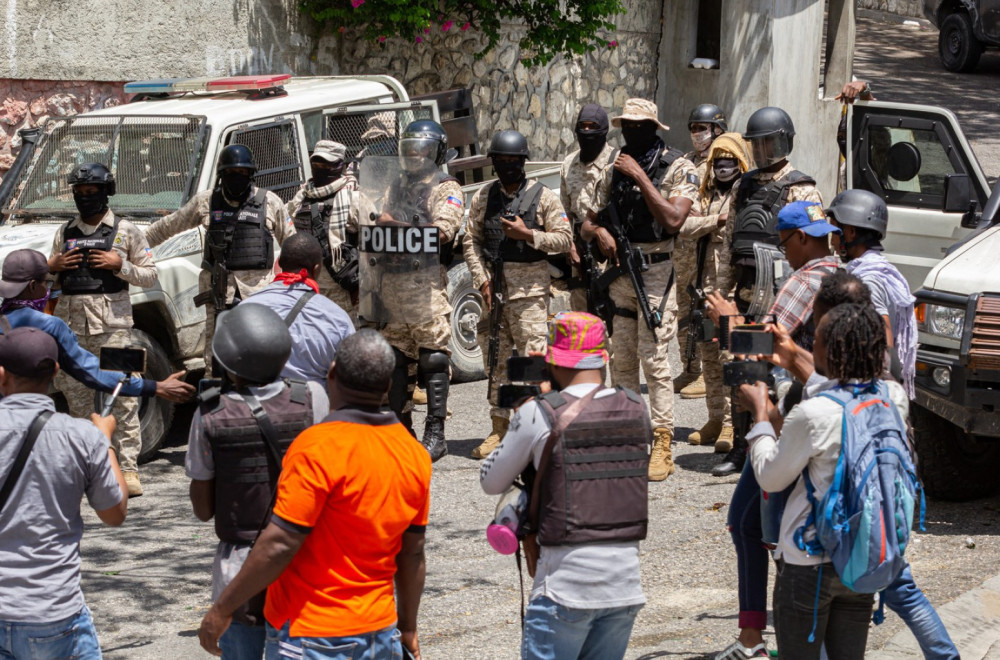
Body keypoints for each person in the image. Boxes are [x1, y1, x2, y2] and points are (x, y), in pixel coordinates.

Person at [197, 329, 429, 660]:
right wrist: (407, 627)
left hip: (311, 636)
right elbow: (412, 553)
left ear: (331, 372)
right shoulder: (412, 453)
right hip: (380, 632)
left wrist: (222, 610)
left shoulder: (316, 447)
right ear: (389, 386)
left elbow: (280, 543)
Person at [706, 201, 840, 660]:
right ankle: (752, 639)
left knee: (777, 537)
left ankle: (794, 644)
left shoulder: (805, 281)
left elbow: (761, 347)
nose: (785, 254)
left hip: (788, 424)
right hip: (800, 420)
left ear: (800, 239)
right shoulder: (840, 276)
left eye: (785, 244)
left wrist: (726, 318)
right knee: (745, 524)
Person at [480, 312, 650, 660]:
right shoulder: (636, 407)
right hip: (624, 585)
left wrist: (522, 421)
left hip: (565, 588)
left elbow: (491, 480)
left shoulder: (539, 413)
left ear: (553, 361)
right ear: (603, 357)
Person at [740, 303, 903, 659]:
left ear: (831, 351)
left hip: (807, 561)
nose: (810, 345)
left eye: (816, 339)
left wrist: (761, 418)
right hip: (863, 556)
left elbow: (770, 477)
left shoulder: (813, 413)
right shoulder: (894, 400)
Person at [187, 302, 329, 659]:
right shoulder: (313, 398)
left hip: (239, 572)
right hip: (301, 560)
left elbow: (203, 509)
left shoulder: (209, 414)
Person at [581, 97, 700, 481]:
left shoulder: (678, 166)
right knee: (622, 358)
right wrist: (599, 233)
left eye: (639, 127)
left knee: (655, 359)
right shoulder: (612, 167)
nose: (631, 133)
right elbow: (586, 222)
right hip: (618, 272)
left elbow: (672, 220)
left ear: (654, 128)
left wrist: (640, 177)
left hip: (655, 271)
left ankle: (662, 439)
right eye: (626, 126)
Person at [0, 326, 127, 660]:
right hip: (52, 611)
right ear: (56, 372)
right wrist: (105, 441)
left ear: (1, 375)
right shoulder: (81, 437)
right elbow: (114, 514)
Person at [351, 119, 464, 462]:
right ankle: (402, 430)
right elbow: (379, 221)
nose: (414, 156)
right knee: (395, 361)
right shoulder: (396, 185)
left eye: (422, 150)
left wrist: (391, 225)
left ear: (436, 151)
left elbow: (442, 232)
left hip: (424, 284)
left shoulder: (446, 187)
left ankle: (436, 432)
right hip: (391, 285)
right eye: (410, 149)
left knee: (432, 357)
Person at [46, 163, 158, 496]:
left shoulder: (127, 231)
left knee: (123, 397)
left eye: (91, 192)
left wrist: (118, 264)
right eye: (79, 193)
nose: (84, 198)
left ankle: (128, 469)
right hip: (72, 330)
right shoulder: (65, 232)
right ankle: (88, 470)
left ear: (105, 191)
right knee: (79, 403)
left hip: (115, 329)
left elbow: (150, 275)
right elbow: (46, 280)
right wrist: (53, 266)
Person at [465, 129, 572, 460]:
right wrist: (482, 280)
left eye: (514, 161)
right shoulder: (484, 197)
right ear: (494, 163)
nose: (509, 166)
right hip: (493, 292)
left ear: (523, 162)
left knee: (531, 363)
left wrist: (530, 236)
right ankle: (499, 428)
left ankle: (534, 429)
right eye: (502, 161)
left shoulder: (543, 197)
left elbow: (564, 239)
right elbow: (471, 240)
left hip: (529, 294)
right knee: (495, 360)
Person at [145, 144, 295, 373]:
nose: (237, 178)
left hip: (259, 295)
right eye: (231, 174)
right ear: (222, 175)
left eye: (243, 173)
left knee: (259, 353)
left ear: (251, 174)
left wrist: (287, 283)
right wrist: (130, 245)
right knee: (217, 359)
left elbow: (293, 244)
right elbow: (165, 228)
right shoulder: (206, 201)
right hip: (218, 295)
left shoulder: (270, 202)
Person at [0, 249, 193, 407]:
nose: (47, 290)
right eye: (46, 283)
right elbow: (90, 371)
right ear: (33, 286)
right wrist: (154, 386)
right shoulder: (49, 326)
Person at [683, 133, 750, 453]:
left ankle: (730, 424)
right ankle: (714, 418)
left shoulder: (744, 194)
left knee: (728, 356)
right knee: (708, 354)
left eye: (729, 162)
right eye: (718, 162)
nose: (723, 168)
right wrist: (715, 220)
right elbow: (683, 226)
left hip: (730, 290)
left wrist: (706, 223)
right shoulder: (703, 192)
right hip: (702, 289)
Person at [730, 106, 823, 314]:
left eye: (767, 142)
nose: (761, 149)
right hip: (743, 300)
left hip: (784, 302)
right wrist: (723, 295)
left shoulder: (802, 190)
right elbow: (731, 242)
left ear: (783, 142)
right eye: (756, 143)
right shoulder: (741, 186)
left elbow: (818, 252)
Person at [825, 189, 917, 397]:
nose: (832, 241)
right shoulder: (875, 268)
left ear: (850, 232)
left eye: (834, 232)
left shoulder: (868, 279)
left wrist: (882, 385)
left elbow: (884, 337)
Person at [244, 234, 355, 386]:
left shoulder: (245, 308)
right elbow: (350, 379)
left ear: (280, 263)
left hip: (255, 406)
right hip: (311, 405)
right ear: (316, 269)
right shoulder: (337, 319)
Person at [675, 103, 728, 398]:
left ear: (717, 130)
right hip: (683, 252)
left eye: (702, 128)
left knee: (708, 313)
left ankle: (709, 375)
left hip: (709, 251)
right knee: (684, 314)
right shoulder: (684, 163)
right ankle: (690, 368)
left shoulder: (724, 164)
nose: (696, 134)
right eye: (693, 128)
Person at [286, 140, 359, 318]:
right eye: (317, 163)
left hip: (341, 289)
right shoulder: (302, 196)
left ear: (339, 165)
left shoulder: (353, 197)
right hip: (306, 286)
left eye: (326, 164)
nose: (321, 168)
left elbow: (371, 243)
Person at [558, 104, 617, 313]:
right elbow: (563, 214)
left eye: (593, 127)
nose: (587, 132)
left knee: (610, 318)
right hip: (580, 252)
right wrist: (570, 246)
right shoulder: (569, 164)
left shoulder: (615, 163)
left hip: (609, 253)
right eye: (582, 126)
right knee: (581, 319)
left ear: (603, 130)